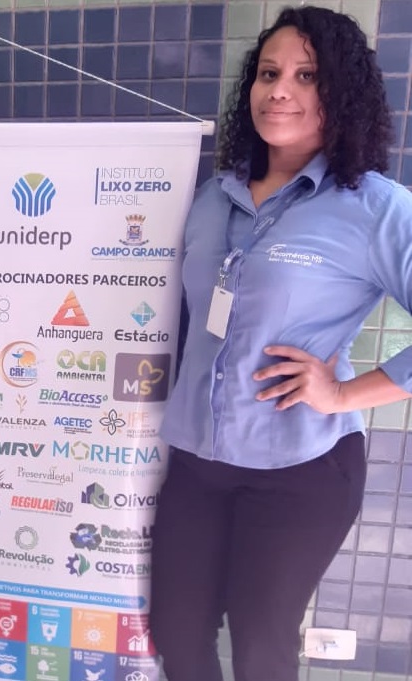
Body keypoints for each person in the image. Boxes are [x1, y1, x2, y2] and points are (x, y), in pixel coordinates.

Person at [150, 7, 412, 681]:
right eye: (268, 74)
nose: (279, 91)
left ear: (341, 93)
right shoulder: (213, 197)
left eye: (306, 76)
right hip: (198, 460)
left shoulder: (373, 207)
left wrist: (344, 393)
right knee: (175, 634)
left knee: (261, 649)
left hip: (301, 466)